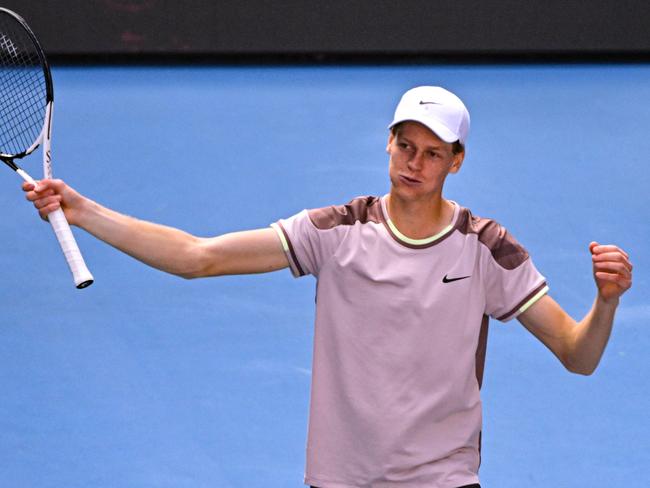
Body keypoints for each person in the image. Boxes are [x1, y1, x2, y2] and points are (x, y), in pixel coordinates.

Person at [23, 86, 632, 488]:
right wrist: (83, 211)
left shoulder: (486, 247)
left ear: (457, 161)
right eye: (404, 145)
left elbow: (577, 356)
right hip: (340, 477)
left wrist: (604, 304)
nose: (412, 163)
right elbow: (196, 257)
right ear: (388, 143)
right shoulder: (335, 231)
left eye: (431, 153)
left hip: (442, 480)